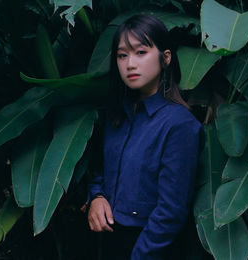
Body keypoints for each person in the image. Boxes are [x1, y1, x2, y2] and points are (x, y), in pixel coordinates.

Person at [87, 14, 204, 260]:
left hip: (150, 247)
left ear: (166, 58)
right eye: (122, 55)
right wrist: (96, 197)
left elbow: (171, 211)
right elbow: (99, 169)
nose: (130, 64)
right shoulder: (116, 115)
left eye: (140, 52)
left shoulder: (179, 125)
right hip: (107, 240)